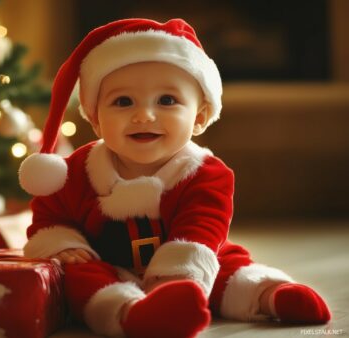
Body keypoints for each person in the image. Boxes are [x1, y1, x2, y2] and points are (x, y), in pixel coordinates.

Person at [18, 18, 330, 338]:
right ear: (96, 120)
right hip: (111, 267)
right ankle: (128, 314)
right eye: (123, 102)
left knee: (230, 269)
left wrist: (174, 285)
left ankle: (269, 296)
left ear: (199, 117)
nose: (144, 116)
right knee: (80, 276)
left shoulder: (205, 174)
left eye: (167, 100)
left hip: (195, 268)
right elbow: (49, 214)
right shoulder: (78, 171)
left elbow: (197, 234)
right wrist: (63, 243)